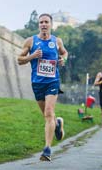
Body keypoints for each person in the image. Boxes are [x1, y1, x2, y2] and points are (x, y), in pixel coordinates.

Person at [17, 13, 68, 161]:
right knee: (47, 117)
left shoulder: (57, 41)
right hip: (37, 83)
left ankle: (47, 149)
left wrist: (63, 59)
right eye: (41, 22)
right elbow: (19, 60)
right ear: (38, 25)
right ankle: (57, 123)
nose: (44, 24)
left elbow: (64, 53)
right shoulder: (30, 41)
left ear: (51, 24)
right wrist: (32, 56)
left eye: (46, 22)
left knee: (48, 112)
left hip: (52, 81)